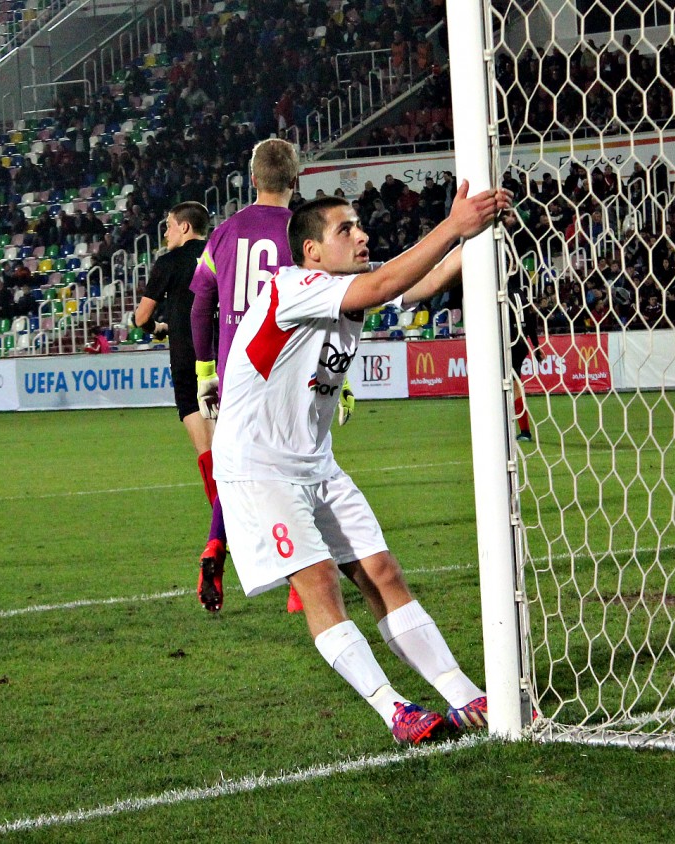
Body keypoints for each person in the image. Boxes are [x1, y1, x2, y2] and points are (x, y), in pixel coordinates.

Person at [212, 182, 511, 744]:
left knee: (383, 573)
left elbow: (421, 282)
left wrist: (481, 233)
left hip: (315, 462)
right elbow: (384, 283)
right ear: (311, 252)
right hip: (259, 468)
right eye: (345, 229)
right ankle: (393, 709)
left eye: (359, 225)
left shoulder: (346, 289)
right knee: (321, 581)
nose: (361, 234)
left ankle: (465, 696)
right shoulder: (292, 287)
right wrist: (453, 225)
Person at [190, 138, 324, 615]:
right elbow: (326, 308)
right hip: (289, 373)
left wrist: (206, 371)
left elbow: (201, 304)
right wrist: (338, 380)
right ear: (295, 180)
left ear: (251, 179)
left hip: (236, 375)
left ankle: (215, 544)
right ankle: (299, 581)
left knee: (236, 469)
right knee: (301, 468)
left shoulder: (224, 233)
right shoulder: (303, 233)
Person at [132, 202, 214, 502]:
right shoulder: (221, 254)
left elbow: (141, 317)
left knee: (206, 450)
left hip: (187, 360)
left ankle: (222, 522)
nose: (166, 233)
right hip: (224, 358)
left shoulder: (168, 262)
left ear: (185, 227)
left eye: (169, 226)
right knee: (232, 446)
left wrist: (156, 328)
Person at [502, 209, 544, 442]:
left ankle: (515, 429)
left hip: (508, 343)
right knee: (515, 384)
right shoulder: (521, 293)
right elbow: (530, 322)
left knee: (505, 385)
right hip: (522, 344)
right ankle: (523, 430)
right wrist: (536, 348)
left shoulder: (501, 295)